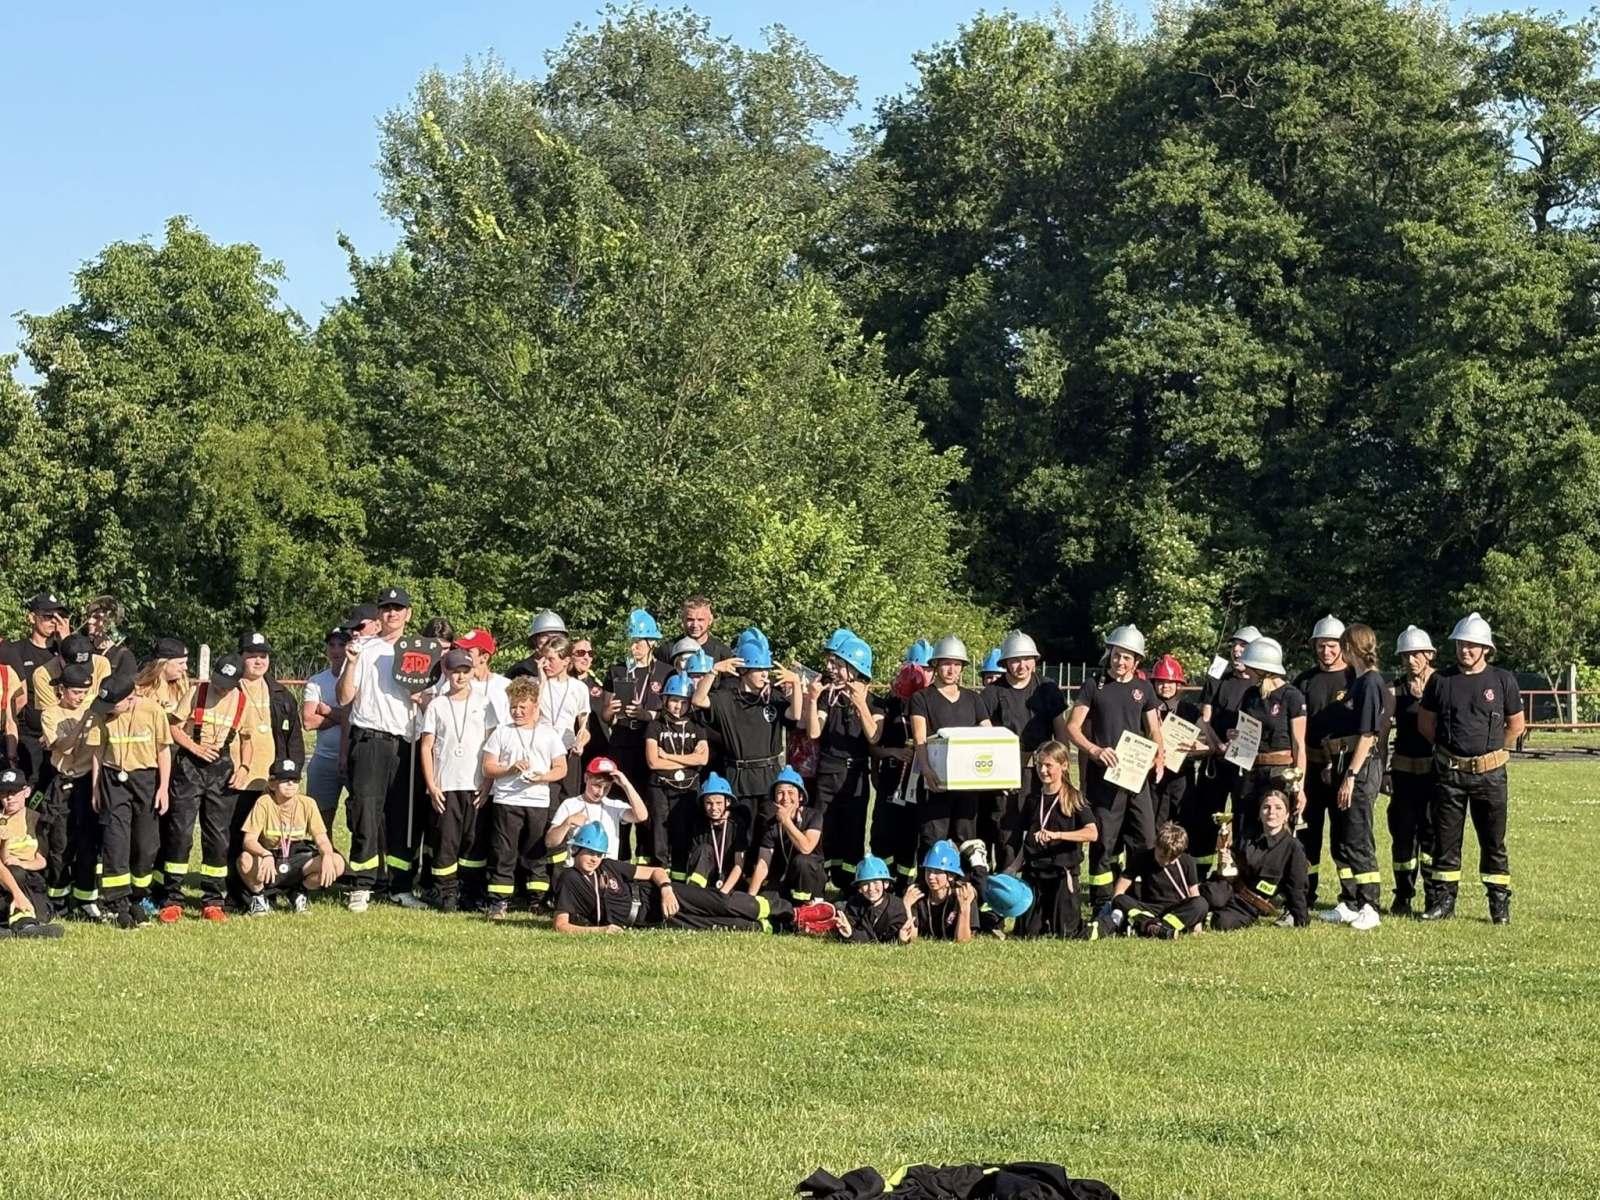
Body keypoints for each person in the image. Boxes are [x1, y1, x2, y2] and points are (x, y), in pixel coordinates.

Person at [1417, 612, 1524, 925]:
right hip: (1449, 774)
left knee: (1493, 842)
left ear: (1486, 649)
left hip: (1491, 776)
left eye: (1472, 645)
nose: (1465, 650)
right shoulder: (1441, 681)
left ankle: (1498, 905)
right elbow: (1426, 723)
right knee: (1445, 841)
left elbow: (1516, 725)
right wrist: (1450, 751)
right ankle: (1443, 903)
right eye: (1461, 644)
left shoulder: (1502, 680)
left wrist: (1491, 753)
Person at [551, 820, 826, 934]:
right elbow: (561, 924)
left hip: (659, 895)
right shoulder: (570, 879)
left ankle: (792, 912)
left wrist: (666, 889)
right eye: (589, 853)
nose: (594, 859)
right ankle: (780, 927)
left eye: (598, 854)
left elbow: (656, 871)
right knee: (718, 925)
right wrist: (600, 931)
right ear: (577, 850)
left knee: (721, 903)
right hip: (649, 919)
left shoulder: (608, 866)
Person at [336, 586, 425, 913]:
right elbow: (344, 697)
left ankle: (400, 887)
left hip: (407, 743)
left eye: (398, 608)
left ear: (408, 614)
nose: (392, 614)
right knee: (366, 814)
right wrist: (350, 664)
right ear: (379, 614)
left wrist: (421, 698)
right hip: (371, 739)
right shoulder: (364, 648)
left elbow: (433, 699)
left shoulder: (420, 651)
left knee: (403, 818)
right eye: (386, 608)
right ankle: (363, 885)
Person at [1064, 624, 1164, 910]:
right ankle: (1101, 901)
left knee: (1145, 837)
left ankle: (1138, 894)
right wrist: (1095, 750)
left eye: (1127, 657)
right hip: (1104, 778)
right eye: (1116, 655)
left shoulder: (1144, 688)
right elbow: (1072, 727)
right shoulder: (1093, 685)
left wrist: (1159, 756)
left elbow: (1154, 730)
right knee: (1104, 841)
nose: (1120, 662)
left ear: (1137, 661)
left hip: (1136, 777)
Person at [692, 628, 796, 852]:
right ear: (744, 670)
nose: (765, 675)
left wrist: (795, 685)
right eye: (759, 670)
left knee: (768, 834)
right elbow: (698, 700)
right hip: (738, 777)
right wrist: (713, 671)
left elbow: (795, 715)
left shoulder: (773, 698)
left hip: (769, 777)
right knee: (741, 836)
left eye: (766, 670)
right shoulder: (726, 698)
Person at [85, 673, 172, 928]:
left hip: (146, 779)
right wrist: (95, 788)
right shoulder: (102, 714)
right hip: (113, 779)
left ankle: (137, 897)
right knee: (116, 841)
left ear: (130, 698)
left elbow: (163, 750)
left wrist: (163, 788)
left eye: (113, 705)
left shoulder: (153, 711)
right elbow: (98, 752)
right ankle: (117, 903)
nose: (108, 710)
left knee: (146, 844)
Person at [1317, 623, 1387, 931]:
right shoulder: (1357, 682)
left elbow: (1368, 734)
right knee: (1341, 839)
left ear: (1349, 648)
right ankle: (1349, 902)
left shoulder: (1370, 682)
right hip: (1342, 761)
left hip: (1360, 767)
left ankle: (1370, 905)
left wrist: (1351, 775)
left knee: (1358, 837)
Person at [981, 630, 1069, 872]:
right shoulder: (991, 694)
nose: (1022, 666)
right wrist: (996, 775)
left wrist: (1063, 770)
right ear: (1005, 663)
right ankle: (1007, 882)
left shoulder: (1047, 688)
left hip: (1043, 773)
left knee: (1042, 826)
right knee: (1006, 832)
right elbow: (984, 738)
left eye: (1027, 659)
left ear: (1035, 660)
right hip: (1004, 776)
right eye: (1015, 660)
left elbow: (1060, 731)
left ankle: (1038, 879)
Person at [480, 676, 567, 919]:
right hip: (507, 800)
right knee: (504, 851)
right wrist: (509, 770)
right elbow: (488, 767)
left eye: (522, 707)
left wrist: (542, 777)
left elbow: (561, 768)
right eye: (513, 707)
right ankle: (499, 901)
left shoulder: (548, 734)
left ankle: (536, 900)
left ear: (535, 707)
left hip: (537, 801)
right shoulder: (501, 732)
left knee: (535, 852)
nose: (517, 712)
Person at [419, 648, 493, 912]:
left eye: (465, 671)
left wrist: (487, 783)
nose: (460, 677)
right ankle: (445, 892)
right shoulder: (437, 705)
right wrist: (431, 785)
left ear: (472, 672)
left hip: (475, 784)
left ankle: (471, 892)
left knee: (474, 841)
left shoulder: (484, 703)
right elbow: (426, 746)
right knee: (446, 841)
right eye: (454, 672)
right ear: (446, 672)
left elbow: (492, 745)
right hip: (446, 784)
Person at [806, 635, 882, 890]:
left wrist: (859, 703)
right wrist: (812, 699)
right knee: (824, 829)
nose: (833, 670)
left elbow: (874, 735)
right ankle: (819, 882)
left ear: (855, 669)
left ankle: (849, 886)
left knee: (853, 832)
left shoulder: (874, 702)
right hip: (828, 772)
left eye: (839, 666)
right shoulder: (829, 698)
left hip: (856, 775)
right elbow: (814, 732)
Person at [1292, 615, 1356, 907]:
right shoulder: (1304, 681)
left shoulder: (1355, 679)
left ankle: (1350, 897)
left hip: (1343, 767)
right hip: (1311, 768)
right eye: (1321, 646)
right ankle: (1305, 892)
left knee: (1344, 836)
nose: (1326, 651)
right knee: (1307, 834)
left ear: (1342, 646)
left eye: (1332, 646)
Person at [909, 635, 991, 861]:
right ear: (936, 664)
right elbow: (920, 738)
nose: (951, 670)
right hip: (936, 782)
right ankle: (929, 881)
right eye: (946, 663)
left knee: (966, 840)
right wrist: (927, 770)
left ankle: (964, 883)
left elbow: (989, 735)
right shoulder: (921, 698)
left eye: (956, 664)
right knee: (932, 840)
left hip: (967, 783)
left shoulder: (974, 699)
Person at [1010, 741, 1097, 939]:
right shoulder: (1032, 800)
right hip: (1035, 874)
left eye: (1048, 765)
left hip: (1062, 874)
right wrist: (1013, 868)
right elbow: (1027, 841)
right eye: (1039, 764)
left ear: (1064, 765)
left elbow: (1092, 833)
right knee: (1026, 934)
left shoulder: (1074, 798)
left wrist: (1058, 835)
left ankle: (1104, 923)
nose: (1042, 770)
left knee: (1066, 934)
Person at [236, 758, 346, 915]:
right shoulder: (264, 803)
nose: (290, 784)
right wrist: (265, 854)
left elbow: (321, 839)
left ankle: (299, 891)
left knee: (337, 862)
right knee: (245, 860)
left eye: (294, 780)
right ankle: (259, 896)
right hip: (270, 855)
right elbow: (249, 841)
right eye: (284, 780)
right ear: (272, 784)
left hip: (296, 855)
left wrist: (327, 855)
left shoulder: (308, 803)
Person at [1194, 624, 1261, 869]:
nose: (1237, 650)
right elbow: (1204, 718)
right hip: (1216, 759)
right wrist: (1218, 745)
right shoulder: (1218, 676)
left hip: (1245, 763)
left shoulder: (1261, 684)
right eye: (1234, 645)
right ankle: (1200, 873)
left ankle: (1241, 872)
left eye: (1243, 646)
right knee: (1206, 816)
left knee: (1245, 817)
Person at [1200, 790, 1310, 930]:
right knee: (1211, 897)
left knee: (1222, 923)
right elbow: (1229, 869)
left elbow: (1297, 887)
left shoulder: (1293, 847)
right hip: (1229, 887)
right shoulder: (1246, 836)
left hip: (1248, 903)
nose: (1271, 812)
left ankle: (1210, 916)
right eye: (1266, 807)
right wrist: (1228, 860)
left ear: (1287, 815)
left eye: (1278, 808)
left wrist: (1301, 919)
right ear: (1259, 813)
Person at [1232, 637, 1307, 841]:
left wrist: (1300, 787)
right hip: (1250, 771)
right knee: (1244, 831)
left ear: (1262, 669)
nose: (1246, 671)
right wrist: (1235, 735)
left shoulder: (1292, 696)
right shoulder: (1250, 695)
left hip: (1279, 773)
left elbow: (1299, 745)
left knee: (1275, 831)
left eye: (1250, 667)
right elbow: (1244, 730)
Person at [1148, 654, 1220, 864]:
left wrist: (1195, 749)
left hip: (1181, 778)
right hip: (1152, 778)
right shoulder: (1146, 709)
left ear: (1179, 685)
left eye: (1170, 682)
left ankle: (1183, 868)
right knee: (1154, 825)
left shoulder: (1189, 711)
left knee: (1184, 823)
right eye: (1161, 682)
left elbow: (1210, 746)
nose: (1165, 686)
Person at [868, 642, 930, 886]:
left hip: (919, 781)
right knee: (883, 833)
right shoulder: (887, 706)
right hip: (892, 778)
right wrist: (892, 753)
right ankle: (884, 879)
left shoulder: (929, 703)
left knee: (910, 835)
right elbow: (873, 745)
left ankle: (904, 883)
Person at [1386, 626, 1438, 917]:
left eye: (1416, 654)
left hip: (1434, 773)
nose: (1410, 660)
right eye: (1405, 655)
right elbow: (1382, 734)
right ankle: (1403, 895)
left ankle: (1434, 896)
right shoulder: (1394, 690)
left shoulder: (1443, 685)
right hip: (1404, 773)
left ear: (1429, 654)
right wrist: (1383, 771)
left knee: (1432, 836)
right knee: (1403, 836)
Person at [38, 663, 96, 916]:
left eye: (84, 693)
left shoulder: (92, 710)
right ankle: (58, 899)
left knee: (87, 842)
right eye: (75, 693)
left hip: (87, 781)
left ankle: (85, 899)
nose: (80, 698)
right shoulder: (51, 714)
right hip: (63, 782)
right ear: (61, 690)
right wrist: (83, 722)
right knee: (60, 842)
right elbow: (64, 747)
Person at [1, 590, 70, 782]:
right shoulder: (14, 650)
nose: (54, 621)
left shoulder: (65, 651)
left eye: (59, 616)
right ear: (31, 618)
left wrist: (67, 642)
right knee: (27, 791)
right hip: (29, 738)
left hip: (62, 735)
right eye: (47, 616)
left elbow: (79, 682)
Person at [644, 672, 709, 871]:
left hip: (687, 787)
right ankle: (659, 870)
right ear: (665, 700)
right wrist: (688, 761)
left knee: (683, 830)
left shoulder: (697, 727)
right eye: (673, 701)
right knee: (659, 829)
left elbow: (702, 759)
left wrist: (668, 756)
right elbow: (653, 762)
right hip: (660, 785)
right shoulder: (655, 726)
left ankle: (679, 873)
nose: (678, 706)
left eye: (683, 702)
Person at [605, 614, 674, 802]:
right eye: (630, 642)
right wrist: (611, 710)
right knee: (619, 800)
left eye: (637, 642)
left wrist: (645, 715)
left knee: (648, 802)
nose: (632, 647)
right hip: (622, 741)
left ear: (652, 642)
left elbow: (672, 714)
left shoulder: (666, 672)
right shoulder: (617, 670)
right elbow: (606, 715)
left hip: (650, 742)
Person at [1100, 822, 1206, 939]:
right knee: (1120, 899)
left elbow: (1194, 894)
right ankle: (1154, 927)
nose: (1165, 862)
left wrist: (1197, 926)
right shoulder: (1142, 857)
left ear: (1180, 855)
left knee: (1201, 903)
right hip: (1149, 908)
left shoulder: (1188, 861)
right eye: (1162, 856)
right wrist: (1115, 904)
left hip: (1175, 909)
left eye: (1171, 859)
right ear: (1156, 844)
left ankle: (1155, 927)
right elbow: (1121, 888)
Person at [744, 766, 826, 903]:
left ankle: (807, 905)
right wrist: (750, 898)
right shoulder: (771, 824)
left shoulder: (814, 816)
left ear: (800, 796)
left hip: (811, 878)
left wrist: (786, 821)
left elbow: (806, 847)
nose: (785, 798)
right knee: (765, 902)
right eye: (780, 793)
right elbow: (763, 864)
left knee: (802, 861)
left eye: (790, 792)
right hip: (784, 878)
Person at [545, 756, 648, 863]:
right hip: (578, 868)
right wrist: (567, 823)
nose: (600, 792)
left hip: (607, 867)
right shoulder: (570, 804)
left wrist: (626, 785)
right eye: (597, 785)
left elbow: (641, 816)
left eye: (606, 787)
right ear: (586, 778)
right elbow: (550, 842)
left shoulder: (614, 806)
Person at [0, 766, 64, 937]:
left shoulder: (35, 820)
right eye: (4, 793)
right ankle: (25, 924)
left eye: (14, 792)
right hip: (4, 877)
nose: (9, 797)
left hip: (29, 878)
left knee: (40, 910)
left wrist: (23, 863)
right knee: (15, 872)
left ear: (26, 792)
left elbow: (41, 860)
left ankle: (17, 923)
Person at [301, 627, 352, 827]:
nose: (336, 650)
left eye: (341, 644)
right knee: (319, 822)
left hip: (355, 758)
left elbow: (359, 719)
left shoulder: (360, 679)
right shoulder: (316, 681)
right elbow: (308, 721)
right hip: (324, 758)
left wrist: (327, 710)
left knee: (360, 819)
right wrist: (345, 717)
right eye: (332, 645)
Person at [535, 636, 592, 806]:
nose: (546, 664)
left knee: (567, 803)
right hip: (542, 751)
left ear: (566, 661)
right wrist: (541, 683)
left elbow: (584, 727)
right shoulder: (536, 684)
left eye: (551, 659)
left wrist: (581, 742)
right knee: (545, 802)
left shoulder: (579, 688)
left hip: (568, 751)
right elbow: (531, 715)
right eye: (544, 659)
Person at [682, 773, 748, 891]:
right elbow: (694, 859)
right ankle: (694, 891)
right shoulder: (699, 825)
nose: (713, 808)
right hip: (707, 883)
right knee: (704, 849)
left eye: (718, 803)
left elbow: (739, 865)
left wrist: (723, 892)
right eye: (709, 803)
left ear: (727, 802)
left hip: (730, 884)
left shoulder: (737, 825)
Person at [902, 840, 978, 942]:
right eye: (928, 870)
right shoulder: (917, 895)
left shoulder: (964, 894)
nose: (931, 876)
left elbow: (963, 941)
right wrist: (906, 906)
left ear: (951, 875)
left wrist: (964, 908)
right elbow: (911, 937)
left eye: (937, 872)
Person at [832, 855, 913, 943]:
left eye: (875, 882)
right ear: (859, 888)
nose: (871, 888)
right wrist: (849, 934)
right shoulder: (854, 905)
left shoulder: (897, 907)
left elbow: (895, 935)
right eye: (865, 884)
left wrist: (901, 939)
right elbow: (853, 930)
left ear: (886, 884)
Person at [654, 595, 736, 668]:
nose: (695, 625)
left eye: (700, 620)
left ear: (710, 620)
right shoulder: (667, 651)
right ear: (682, 619)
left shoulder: (722, 653)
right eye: (690, 619)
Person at [81, 594, 138, 681]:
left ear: (112, 622)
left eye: (97, 617)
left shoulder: (124, 657)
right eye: (89, 617)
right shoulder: (83, 648)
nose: (89, 621)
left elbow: (125, 686)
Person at [133, 638, 189, 716]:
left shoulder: (183, 687)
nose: (186, 667)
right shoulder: (139, 691)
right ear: (163, 664)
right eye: (180, 663)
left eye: (186, 663)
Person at [506, 610, 570, 678]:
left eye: (556, 636)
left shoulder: (570, 667)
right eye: (545, 636)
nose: (551, 640)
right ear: (534, 640)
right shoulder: (520, 670)